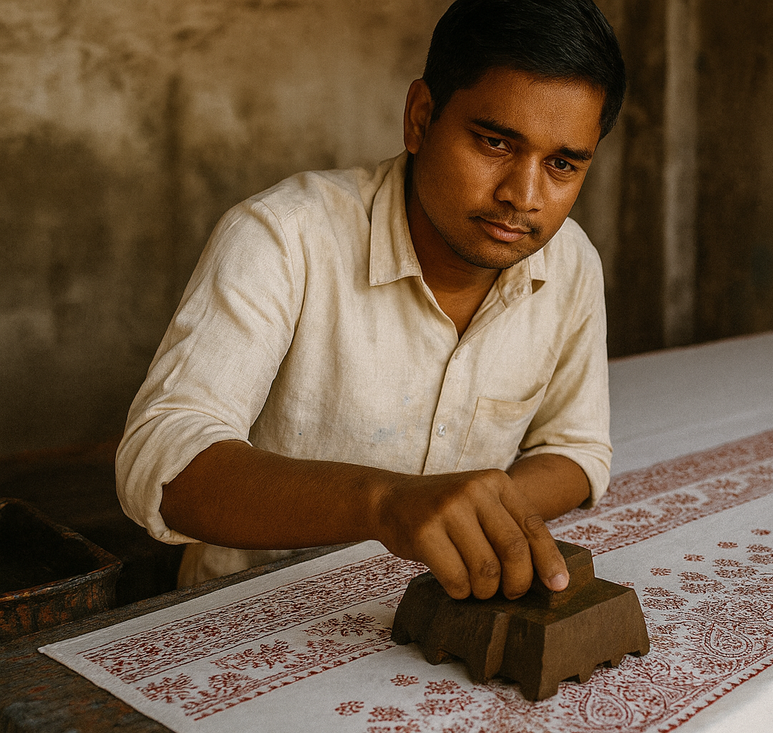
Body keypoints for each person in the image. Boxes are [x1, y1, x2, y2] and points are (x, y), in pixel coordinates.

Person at [115, 0, 626, 600]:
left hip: (445, 601)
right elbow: (162, 458)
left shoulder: (569, 262)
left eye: (562, 164)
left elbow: (574, 449)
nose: (524, 195)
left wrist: (467, 514)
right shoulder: (284, 236)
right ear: (420, 117)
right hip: (254, 619)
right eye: (493, 143)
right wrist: (388, 504)